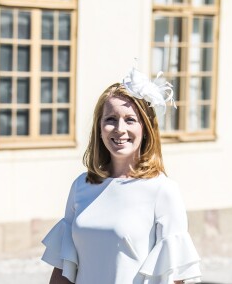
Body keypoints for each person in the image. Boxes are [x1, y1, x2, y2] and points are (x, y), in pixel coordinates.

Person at [41, 66, 201, 284]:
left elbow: (175, 278)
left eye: (130, 119)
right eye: (110, 119)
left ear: (146, 129)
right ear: (99, 127)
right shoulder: (81, 185)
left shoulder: (162, 190)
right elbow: (64, 268)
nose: (119, 128)